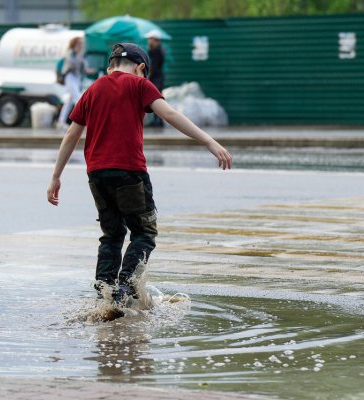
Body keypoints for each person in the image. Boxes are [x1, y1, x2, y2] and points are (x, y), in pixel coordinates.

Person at [46, 43, 232, 305]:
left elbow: (71, 134)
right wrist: (209, 142)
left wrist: (56, 176)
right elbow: (169, 113)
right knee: (143, 233)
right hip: (130, 172)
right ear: (141, 68)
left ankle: (105, 294)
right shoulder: (140, 85)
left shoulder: (93, 89)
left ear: (110, 66)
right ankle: (125, 289)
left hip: (97, 175)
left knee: (111, 234)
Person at [56, 37, 89, 131]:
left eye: (81, 44)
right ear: (74, 44)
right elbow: (72, 64)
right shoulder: (71, 52)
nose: (81, 46)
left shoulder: (81, 53)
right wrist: (79, 55)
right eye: (79, 44)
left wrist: (87, 70)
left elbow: (83, 67)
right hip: (70, 77)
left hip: (77, 78)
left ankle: (61, 122)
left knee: (69, 101)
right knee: (78, 99)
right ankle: (84, 122)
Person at [146, 30, 166, 127]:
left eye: (150, 39)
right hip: (157, 78)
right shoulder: (157, 50)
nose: (149, 41)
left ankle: (158, 121)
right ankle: (157, 120)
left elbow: (154, 67)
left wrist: (149, 77)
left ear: (155, 40)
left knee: (156, 99)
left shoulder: (157, 51)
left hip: (156, 78)